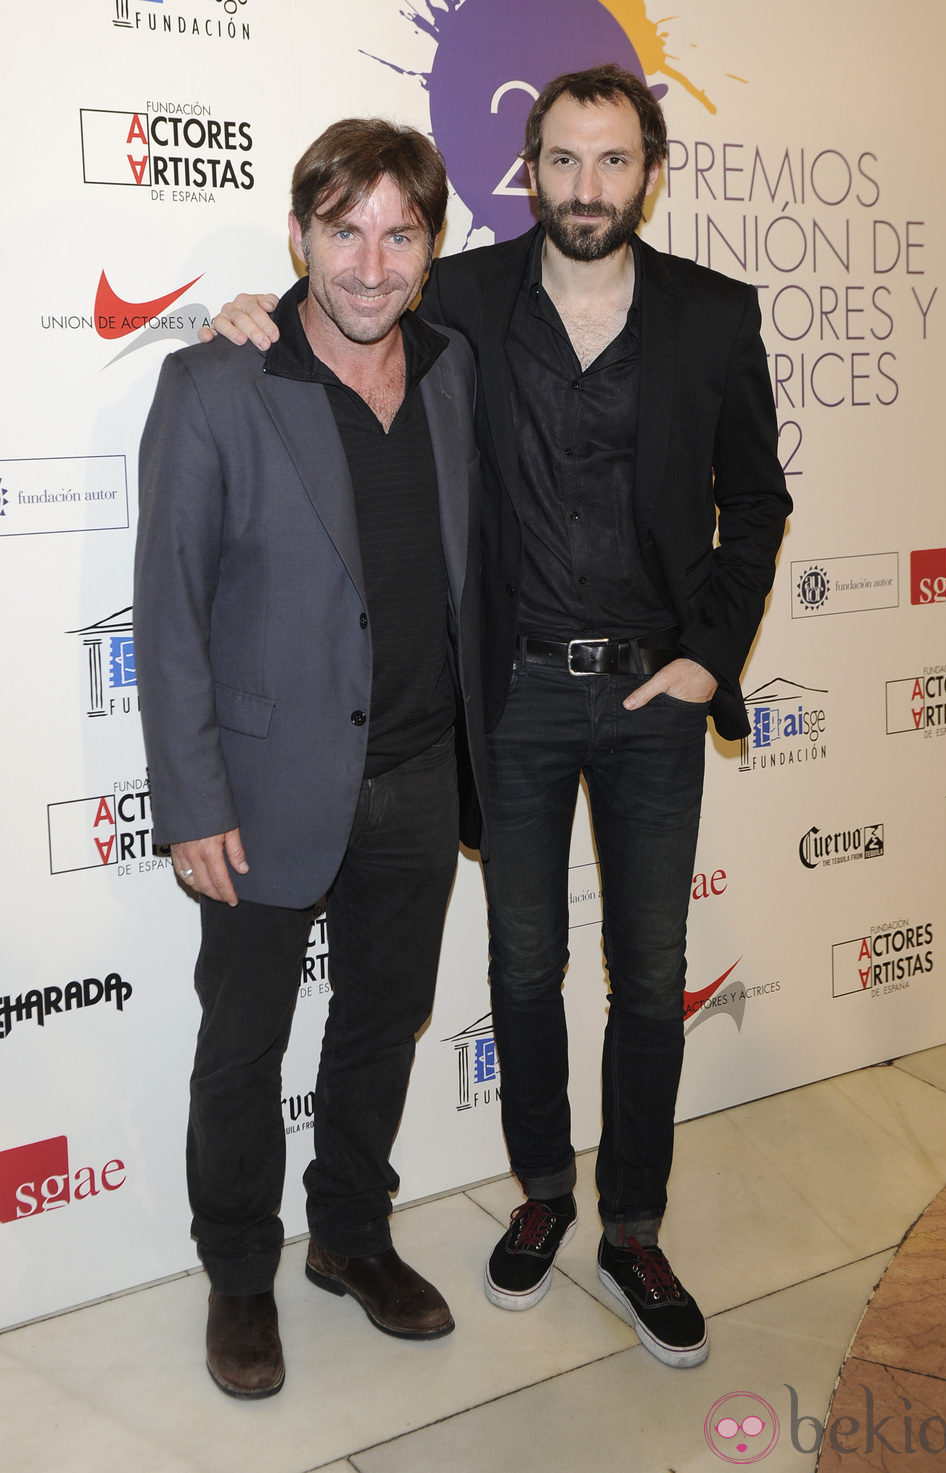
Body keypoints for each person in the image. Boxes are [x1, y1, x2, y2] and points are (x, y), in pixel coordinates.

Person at [205, 63, 791, 1371]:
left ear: (651, 171)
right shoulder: (459, 295)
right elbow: (340, 306)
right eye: (564, 162)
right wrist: (250, 309)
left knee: (648, 972)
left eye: (614, 161)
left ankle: (633, 1223)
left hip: (652, 698)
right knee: (521, 966)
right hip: (511, 695)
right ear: (531, 173)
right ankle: (543, 1192)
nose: (588, 187)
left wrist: (709, 654)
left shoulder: (712, 317)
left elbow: (754, 502)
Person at [135, 118, 486, 1399]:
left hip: (416, 774)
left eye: (400, 233)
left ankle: (348, 1234)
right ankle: (240, 1273)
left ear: (431, 250)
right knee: (242, 1046)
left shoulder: (453, 370)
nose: (370, 263)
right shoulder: (220, 384)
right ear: (297, 237)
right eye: (344, 230)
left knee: (383, 1023)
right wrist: (191, 801)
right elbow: (167, 609)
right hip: (264, 789)